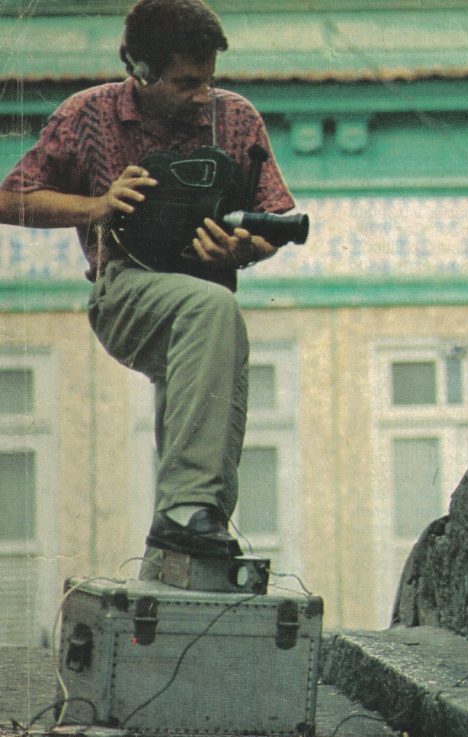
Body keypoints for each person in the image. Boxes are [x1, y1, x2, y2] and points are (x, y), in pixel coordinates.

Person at [0, 0, 297, 570]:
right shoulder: (88, 114)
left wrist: (243, 250)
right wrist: (97, 205)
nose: (202, 96)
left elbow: (273, 220)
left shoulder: (236, 118)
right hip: (126, 290)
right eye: (186, 83)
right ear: (138, 70)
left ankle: (192, 539)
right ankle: (185, 511)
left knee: (212, 369)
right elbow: (12, 198)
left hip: (203, 296)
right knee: (212, 311)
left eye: (209, 80)